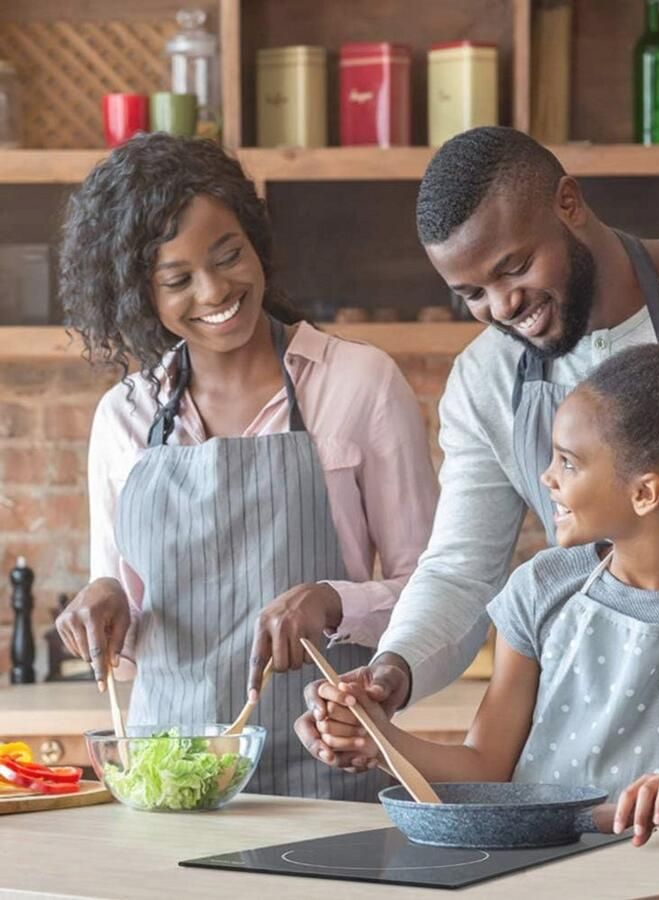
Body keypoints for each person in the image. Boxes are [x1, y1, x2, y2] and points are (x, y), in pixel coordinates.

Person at [297, 126, 659, 837]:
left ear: (570, 203)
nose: (502, 308)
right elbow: (461, 570)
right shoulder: (486, 381)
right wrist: (390, 676)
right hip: (591, 817)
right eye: (472, 294)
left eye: (514, 267)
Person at [312, 342, 659, 845]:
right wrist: (378, 738)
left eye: (568, 462)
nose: (547, 477)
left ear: (645, 492)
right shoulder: (542, 587)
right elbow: (486, 769)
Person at [55, 133, 437, 800]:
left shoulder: (358, 384)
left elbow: (436, 592)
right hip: (169, 778)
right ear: (140, 296)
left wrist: (334, 601)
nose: (215, 290)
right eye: (177, 280)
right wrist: (104, 602)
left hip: (328, 768)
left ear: (255, 240)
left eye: (228, 255)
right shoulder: (124, 417)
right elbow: (126, 606)